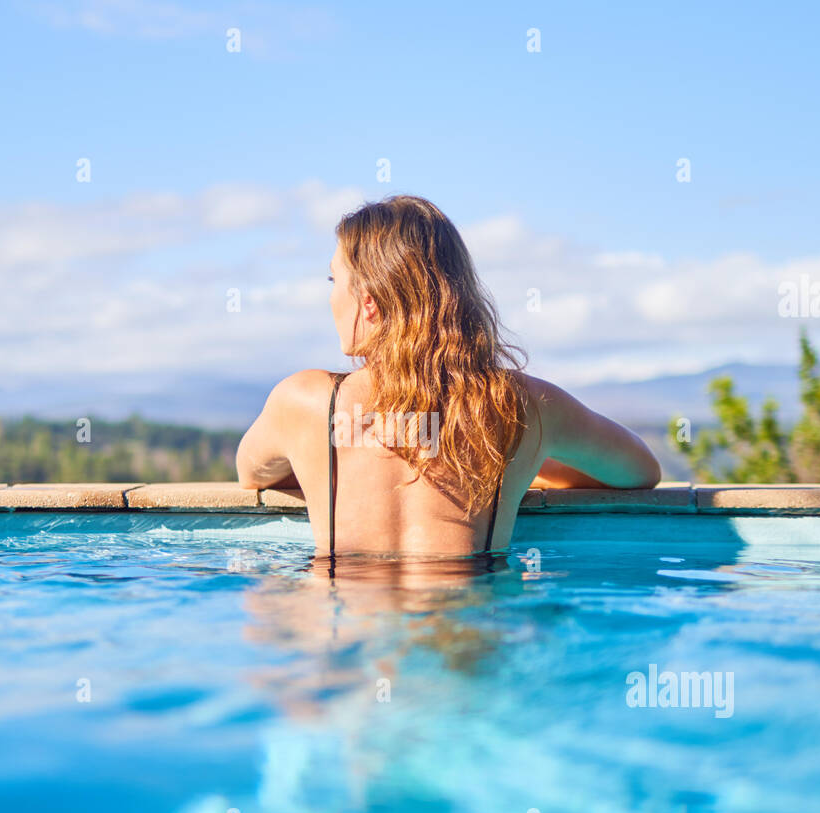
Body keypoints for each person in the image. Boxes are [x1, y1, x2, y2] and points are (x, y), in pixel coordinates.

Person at [237, 195, 660, 558]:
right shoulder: (524, 406)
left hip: (349, 638)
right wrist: (529, 462)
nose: (330, 296)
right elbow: (639, 471)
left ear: (368, 303)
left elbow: (252, 474)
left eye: (334, 280)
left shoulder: (305, 403)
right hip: (467, 638)